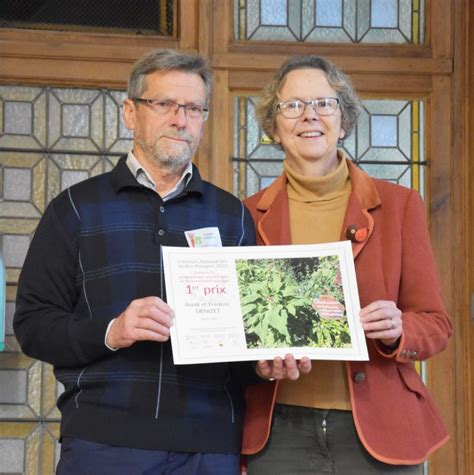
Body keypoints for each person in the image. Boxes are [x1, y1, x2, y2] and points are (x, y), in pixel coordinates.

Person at [13, 49, 284, 475]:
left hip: (210, 447)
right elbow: (32, 327)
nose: (181, 119)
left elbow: (244, 338)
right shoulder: (75, 209)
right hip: (104, 444)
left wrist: (262, 365)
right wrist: (112, 330)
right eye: (164, 104)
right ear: (130, 112)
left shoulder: (232, 216)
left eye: (193, 108)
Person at [241, 55, 453, 474]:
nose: (310, 116)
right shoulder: (245, 215)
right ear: (274, 125)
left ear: (343, 118)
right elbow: (239, 329)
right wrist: (258, 364)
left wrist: (398, 331)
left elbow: (435, 324)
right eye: (293, 105)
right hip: (278, 432)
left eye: (324, 103)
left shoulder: (399, 206)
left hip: (382, 429)